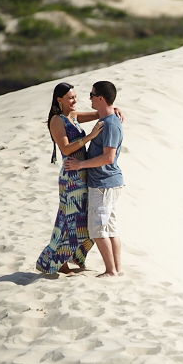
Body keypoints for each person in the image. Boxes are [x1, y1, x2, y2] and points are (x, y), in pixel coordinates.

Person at [35, 82, 109, 275]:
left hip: (82, 174)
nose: (74, 101)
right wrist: (90, 136)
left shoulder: (73, 116)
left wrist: (114, 109)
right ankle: (56, 261)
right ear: (59, 100)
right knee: (69, 221)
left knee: (82, 219)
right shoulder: (57, 120)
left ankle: (70, 257)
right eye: (70, 98)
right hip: (71, 176)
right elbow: (66, 148)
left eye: (75, 97)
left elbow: (99, 114)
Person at [64, 81, 124, 278]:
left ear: (100, 98)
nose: (88, 98)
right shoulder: (108, 120)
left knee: (98, 228)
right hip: (106, 183)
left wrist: (80, 165)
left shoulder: (110, 125)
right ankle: (116, 268)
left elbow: (108, 157)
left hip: (103, 183)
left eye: (91, 94)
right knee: (109, 227)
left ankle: (111, 270)